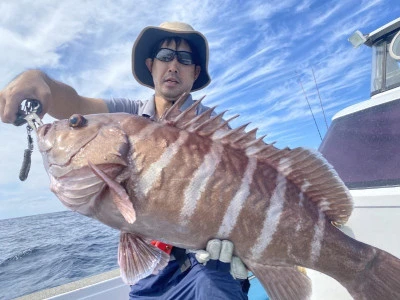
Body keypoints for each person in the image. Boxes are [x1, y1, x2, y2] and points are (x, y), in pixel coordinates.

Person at [0, 22, 250, 299]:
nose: (174, 65)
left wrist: (249, 254)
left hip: (207, 264)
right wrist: (40, 80)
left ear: (196, 72)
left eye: (185, 59)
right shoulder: (125, 117)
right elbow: (75, 105)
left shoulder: (217, 132)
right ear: (150, 65)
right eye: (165, 56)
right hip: (152, 271)